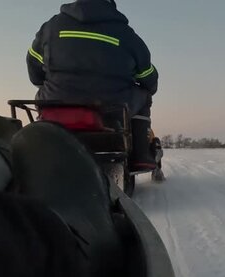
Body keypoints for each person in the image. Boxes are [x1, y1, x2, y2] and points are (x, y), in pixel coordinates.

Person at [27, 0, 159, 169]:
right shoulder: (127, 35)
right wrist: (148, 87)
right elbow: (148, 77)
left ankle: (44, 143)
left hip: (57, 105)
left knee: (42, 93)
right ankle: (140, 155)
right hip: (110, 110)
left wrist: (47, 83)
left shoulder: (51, 26)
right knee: (144, 95)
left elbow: (33, 68)